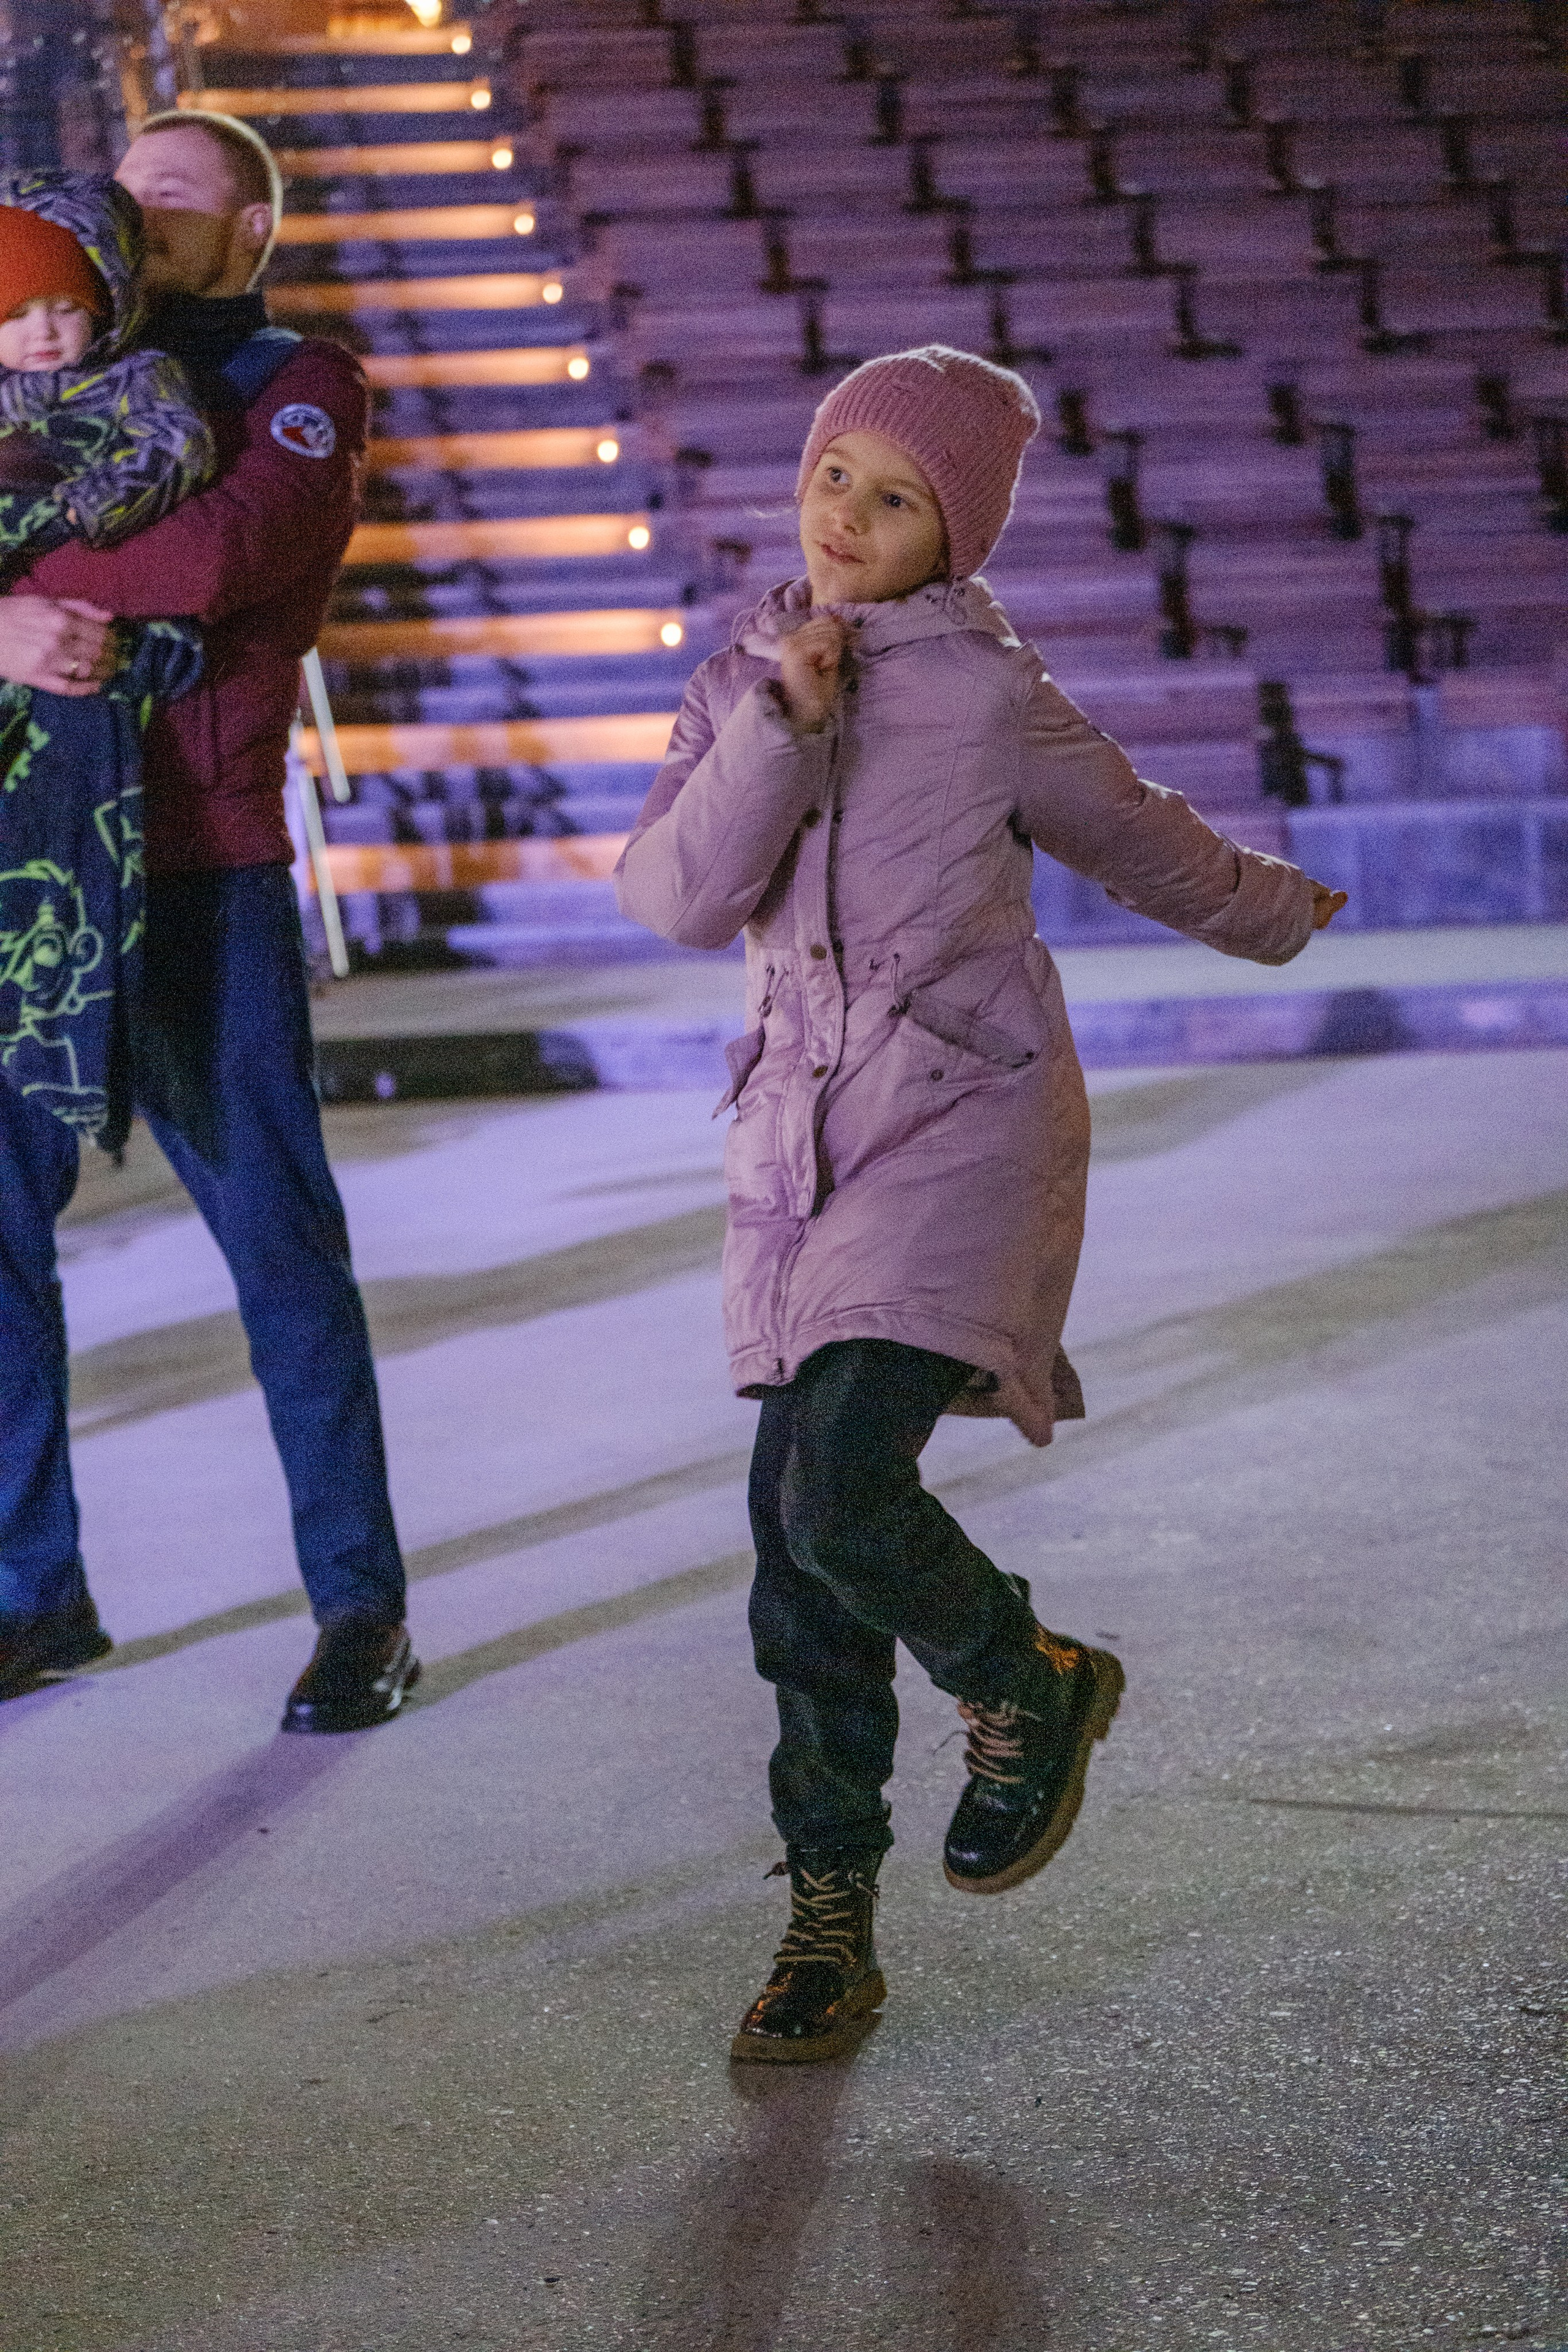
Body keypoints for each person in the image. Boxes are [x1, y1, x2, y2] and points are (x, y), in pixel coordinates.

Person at [615, 345, 1349, 2063]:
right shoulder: (737, 680)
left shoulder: (989, 690)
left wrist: (1282, 910)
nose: (850, 514)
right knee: (791, 1555)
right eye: (832, 478)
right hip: (795, 1152)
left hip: (961, 1117)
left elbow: (1134, 831)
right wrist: (781, 726)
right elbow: (675, 891)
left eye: (896, 492)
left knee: (840, 1488)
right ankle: (828, 1919)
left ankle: (1024, 1677)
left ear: (960, 530)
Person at [0, 111, 417, 1735]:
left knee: (276, 1242)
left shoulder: (292, 388)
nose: (132, 209)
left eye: (169, 196)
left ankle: (360, 1602)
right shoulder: (34, 383)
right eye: (124, 187)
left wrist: (35, 594)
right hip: (29, 876)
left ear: (248, 229)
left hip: (197, 866)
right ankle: (35, 1592)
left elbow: (224, 549)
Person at [0, 168, 212, 1148]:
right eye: (16, 312)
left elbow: (173, 452)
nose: (42, 331)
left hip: (100, 660)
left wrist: (66, 517)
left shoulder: (139, 380)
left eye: (65, 308)